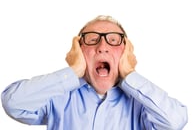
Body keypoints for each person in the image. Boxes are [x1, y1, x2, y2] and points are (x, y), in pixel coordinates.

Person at [1, 15, 188, 130]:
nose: (102, 46)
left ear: (126, 51)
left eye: (114, 40)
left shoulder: (142, 105)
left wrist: (130, 73)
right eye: (92, 39)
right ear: (79, 50)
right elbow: (13, 103)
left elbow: (175, 122)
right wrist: (73, 71)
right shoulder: (57, 97)